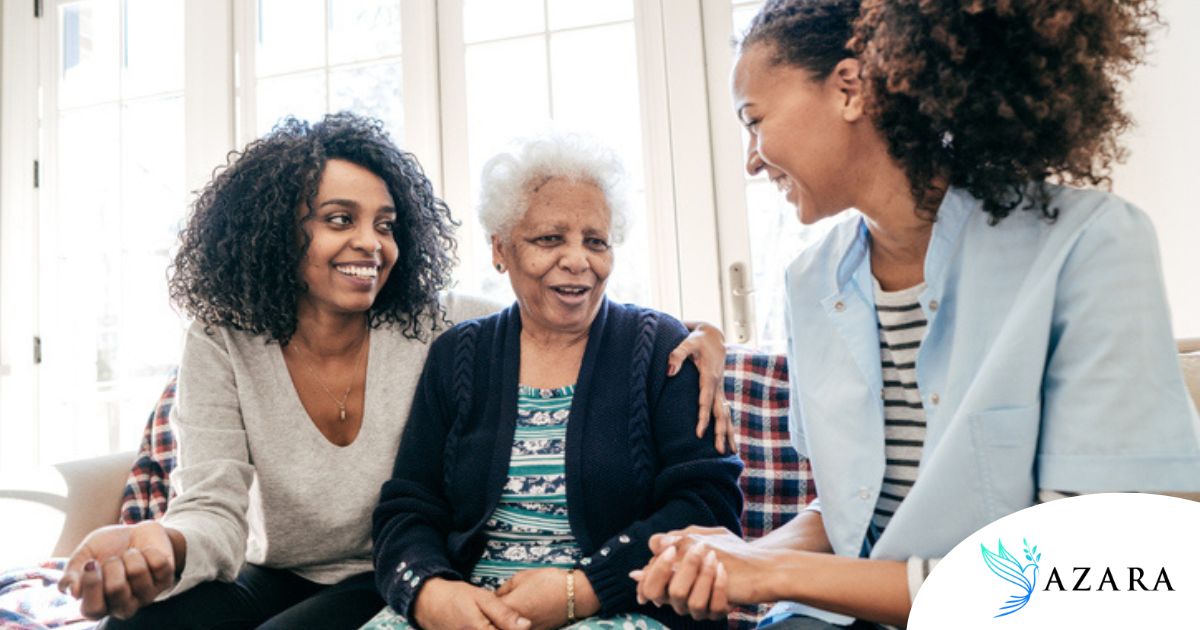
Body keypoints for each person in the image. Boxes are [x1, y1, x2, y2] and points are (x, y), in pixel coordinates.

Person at [633, 0, 1200, 627]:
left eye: (754, 120)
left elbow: (1085, 573)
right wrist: (735, 555)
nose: (751, 158)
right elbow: (852, 512)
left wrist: (770, 571)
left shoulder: (1089, 245)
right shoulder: (809, 280)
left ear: (849, 89)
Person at [55, 113, 730, 629]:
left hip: (375, 575)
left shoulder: (436, 325)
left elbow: (560, 312)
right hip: (281, 567)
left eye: (385, 224)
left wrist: (704, 335)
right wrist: (162, 543)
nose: (370, 243)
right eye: (339, 220)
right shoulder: (224, 341)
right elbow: (213, 510)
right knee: (138, 626)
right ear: (277, 232)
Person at [363, 133, 744, 630]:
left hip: (621, 606)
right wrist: (432, 593)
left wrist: (582, 589)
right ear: (500, 249)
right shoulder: (458, 354)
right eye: (549, 239)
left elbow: (709, 506)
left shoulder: (662, 349)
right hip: (474, 609)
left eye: (595, 241)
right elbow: (408, 507)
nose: (578, 260)